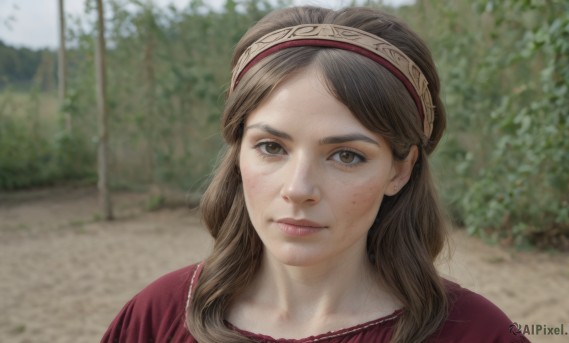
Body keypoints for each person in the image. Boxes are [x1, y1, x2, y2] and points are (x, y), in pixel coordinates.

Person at [102, 5, 530, 343]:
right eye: (271, 148)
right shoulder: (157, 318)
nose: (298, 189)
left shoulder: (477, 332)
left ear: (400, 169)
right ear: (238, 154)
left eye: (345, 155)